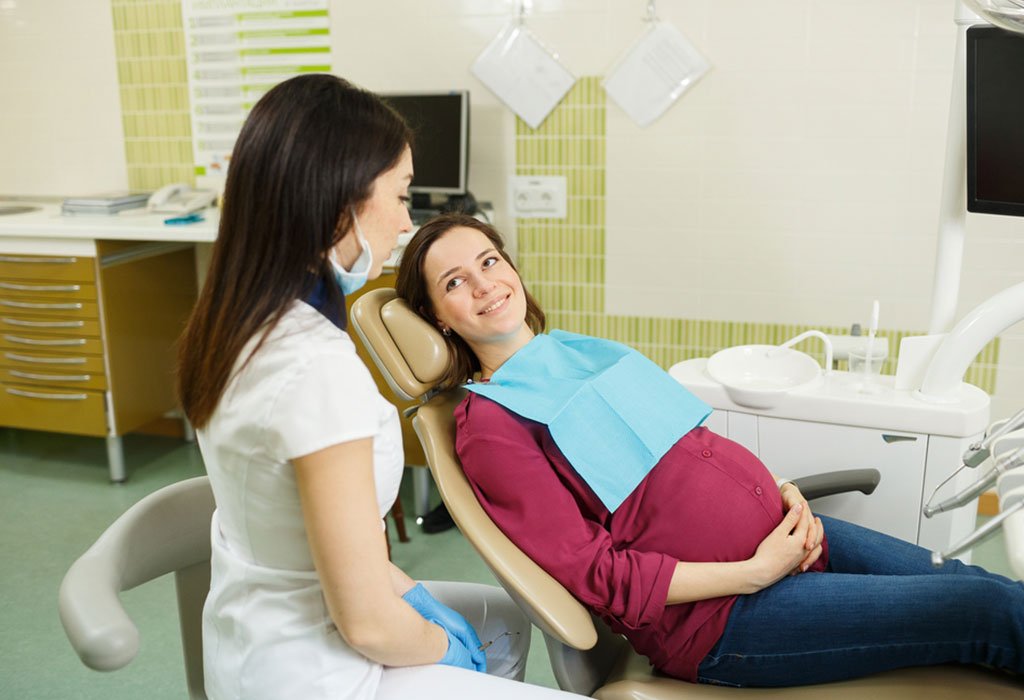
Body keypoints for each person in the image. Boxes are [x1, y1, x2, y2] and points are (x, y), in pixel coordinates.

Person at [395, 213, 1024, 688]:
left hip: (793, 534)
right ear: (440, 317)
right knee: (987, 609)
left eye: (489, 261)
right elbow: (595, 574)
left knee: (976, 582)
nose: (484, 285)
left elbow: (687, 445)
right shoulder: (492, 426)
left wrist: (779, 490)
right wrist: (753, 573)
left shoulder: (572, 352)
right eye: (455, 282)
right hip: (727, 618)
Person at [176, 76, 582, 700]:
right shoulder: (316, 370)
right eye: (400, 195)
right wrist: (443, 650)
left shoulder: (233, 324)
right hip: (317, 673)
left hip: (252, 629)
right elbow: (365, 621)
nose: (405, 219)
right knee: (480, 643)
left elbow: (319, 537)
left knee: (500, 620)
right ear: (340, 207)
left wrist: (413, 596)